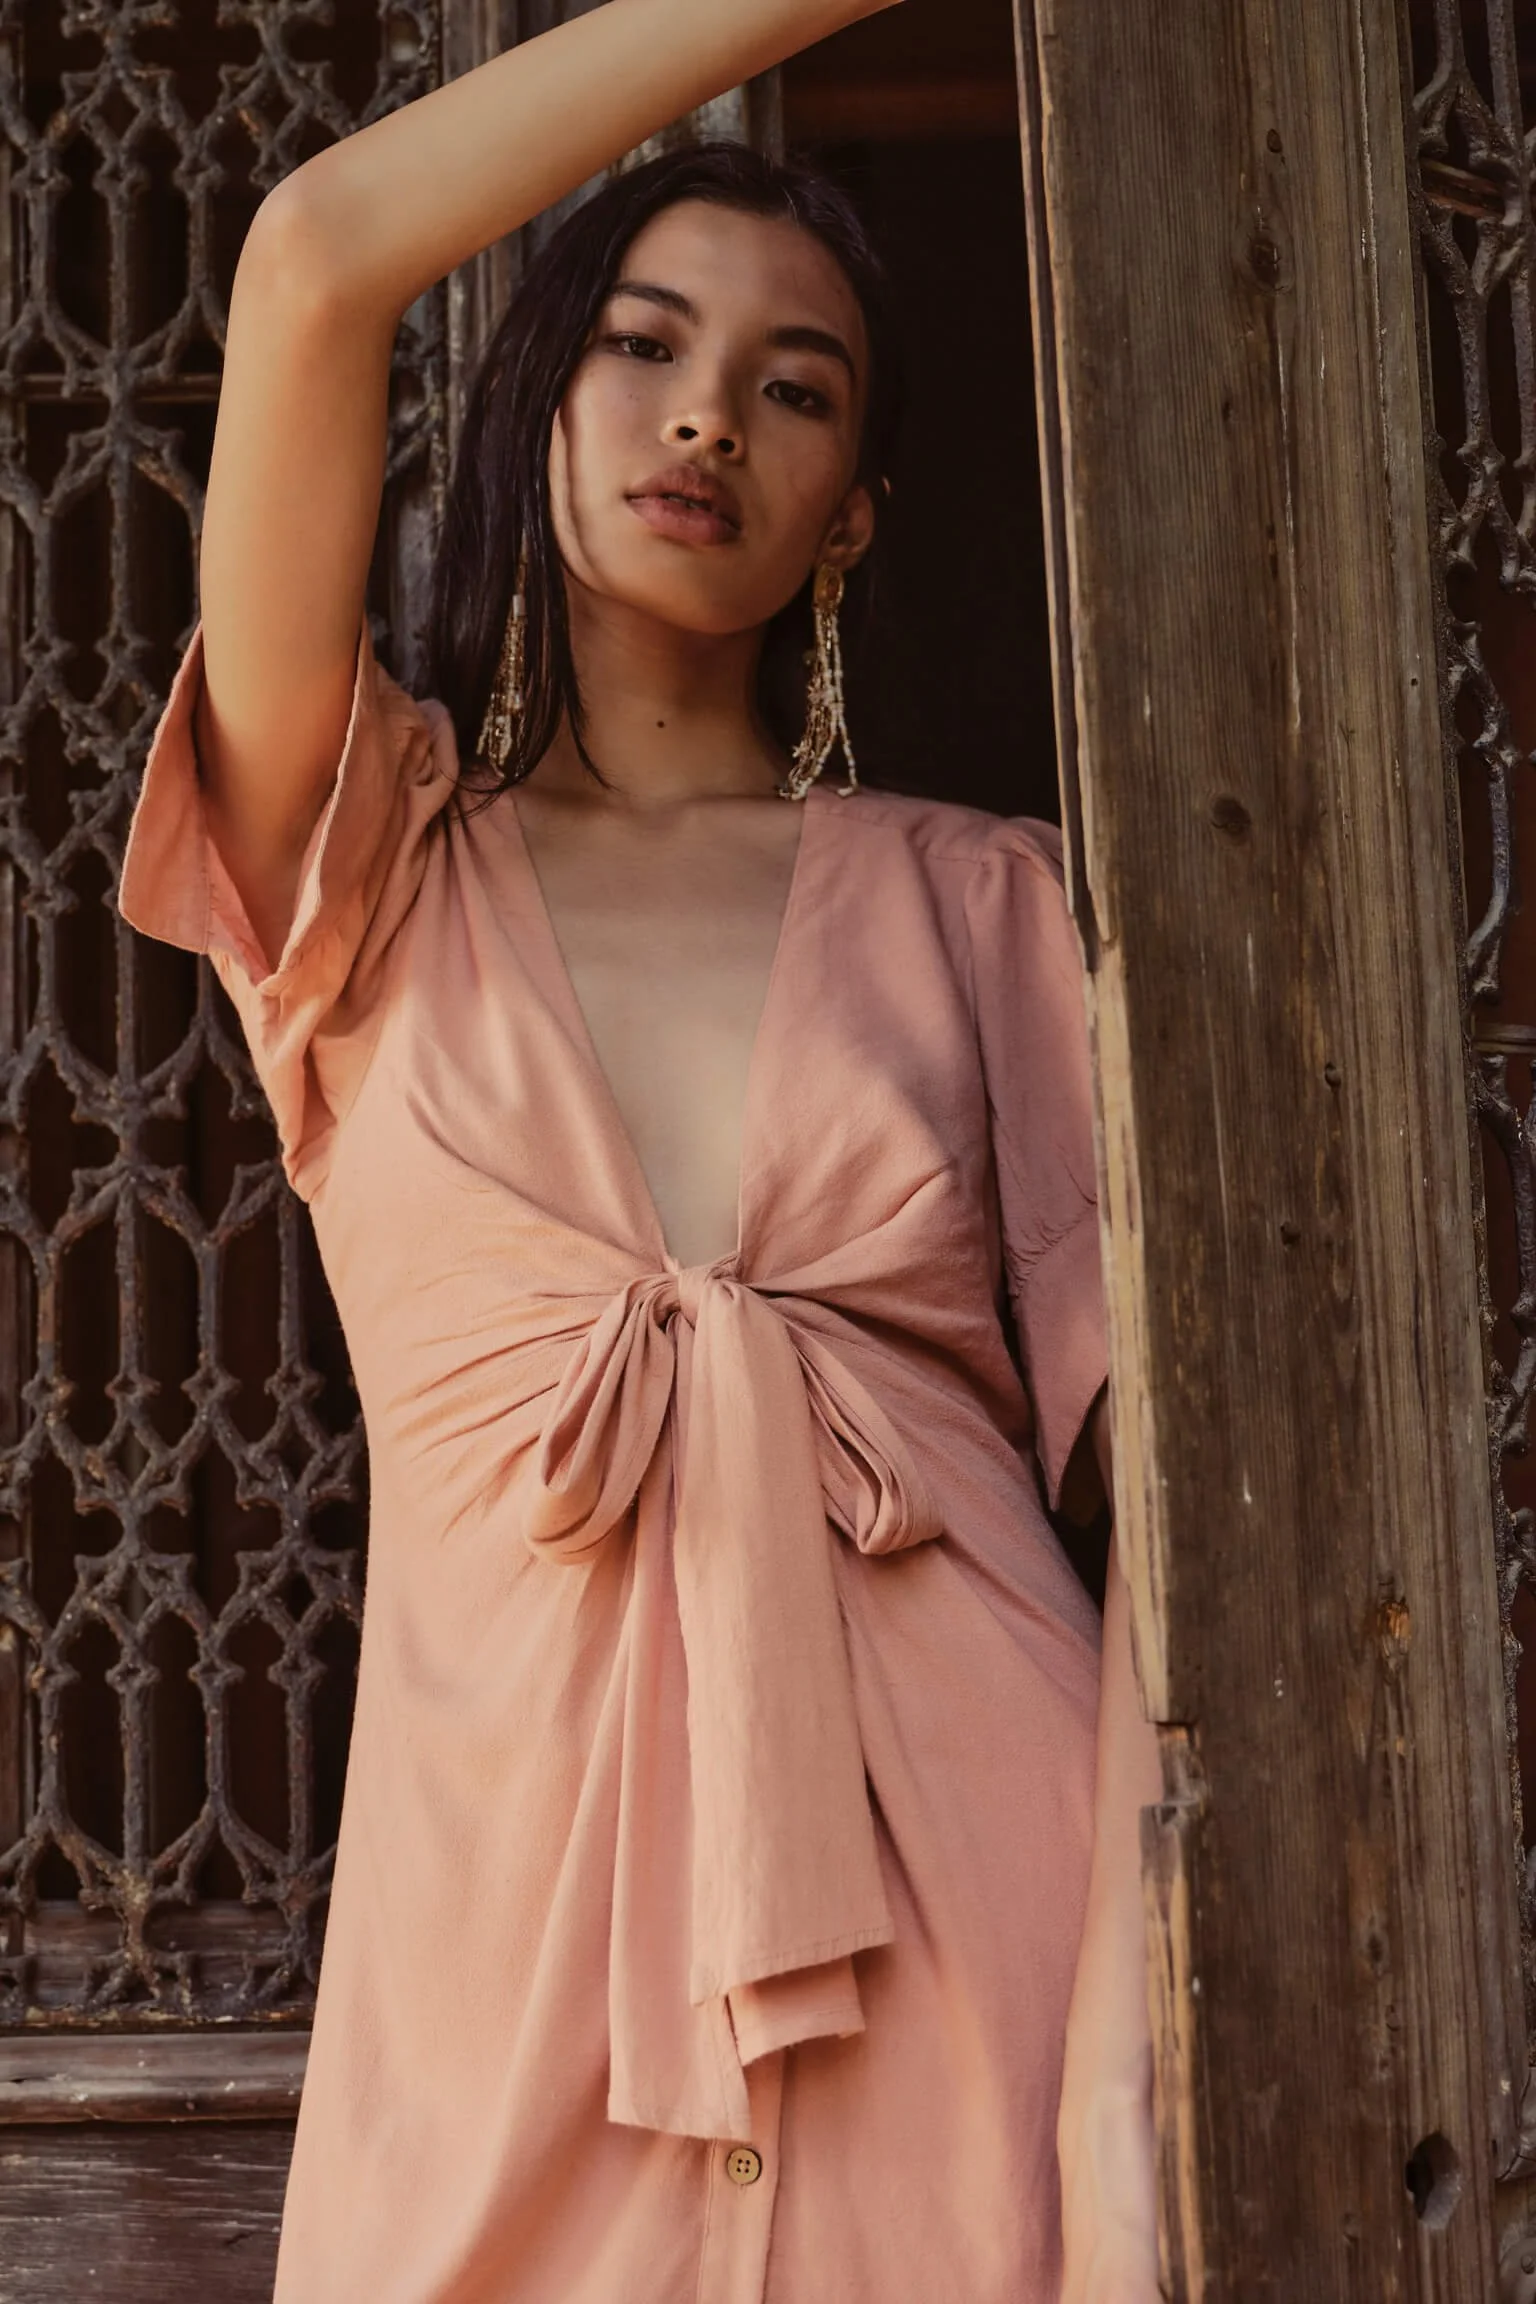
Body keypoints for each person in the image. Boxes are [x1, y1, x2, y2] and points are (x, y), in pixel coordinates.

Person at [117, 2, 1163, 2297]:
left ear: (854, 511)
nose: (709, 413)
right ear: (537, 408)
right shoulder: (367, 876)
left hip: (975, 1930)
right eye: (641, 344)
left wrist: (1122, 2071)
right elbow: (312, 259)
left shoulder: (985, 897)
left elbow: (1172, 1523)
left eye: (796, 387)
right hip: (509, 1995)